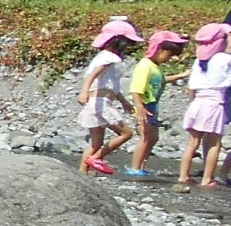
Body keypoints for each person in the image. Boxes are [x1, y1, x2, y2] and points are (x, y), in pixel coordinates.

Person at [77, 17, 140, 174]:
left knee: (95, 143)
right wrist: (84, 90)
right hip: (101, 104)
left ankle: (82, 174)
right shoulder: (110, 56)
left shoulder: (103, 56)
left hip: (95, 103)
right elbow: (93, 74)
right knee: (126, 133)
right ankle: (96, 158)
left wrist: (124, 102)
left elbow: (112, 87)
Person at [125, 29, 187, 177]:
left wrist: (182, 75)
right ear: (159, 49)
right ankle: (135, 168)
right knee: (146, 137)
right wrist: (139, 107)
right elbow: (136, 89)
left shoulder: (155, 67)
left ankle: (141, 166)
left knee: (153, 138)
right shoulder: (145, 65)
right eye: (169, 55)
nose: (169, 59)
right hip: (143, 106)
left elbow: (162, 80)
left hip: (152, 106)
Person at [179, 22, 231, 190]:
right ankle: (207, 178)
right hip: (214, 103)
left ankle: (183, 176)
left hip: (197, 103)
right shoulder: (225, 59)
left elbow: (191, 88)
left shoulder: (198, 61)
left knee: (192, 142)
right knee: (214, 143)